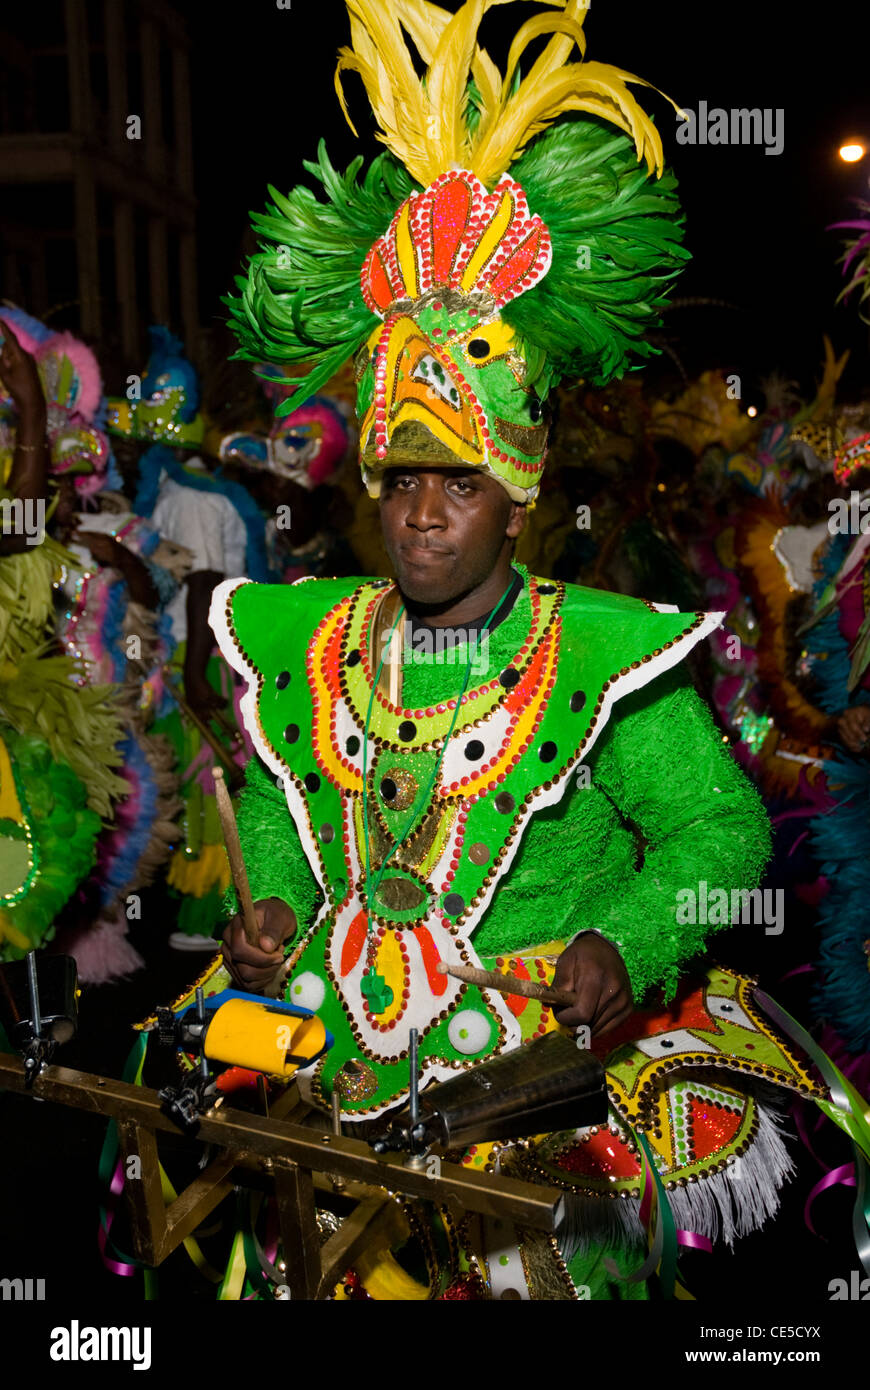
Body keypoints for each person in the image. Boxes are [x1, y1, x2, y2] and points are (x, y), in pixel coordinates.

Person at [176, 0, 851, 1299]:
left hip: (534, 1096)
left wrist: (622, 935)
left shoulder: (598, 657)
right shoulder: (308, 640)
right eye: (400, 480)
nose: (423, 511)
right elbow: (273, 794)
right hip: (327, 1086)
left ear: (519, 493)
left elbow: (719, 836)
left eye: (458, 483)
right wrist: (261, 907)